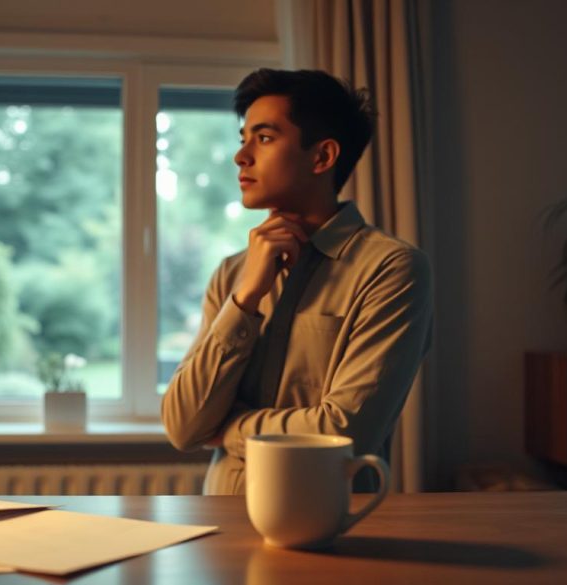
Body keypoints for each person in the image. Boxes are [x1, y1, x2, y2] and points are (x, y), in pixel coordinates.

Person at [161, 68, 434, 495]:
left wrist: (229, 428)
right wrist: (246, 299)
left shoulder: (393, 270)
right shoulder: (233, 274)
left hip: (334, 529)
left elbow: (343, 432)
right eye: (242, 139)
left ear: (322, 157)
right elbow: (182, 426)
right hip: (222, 529)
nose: (241, 156)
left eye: (264, 138)